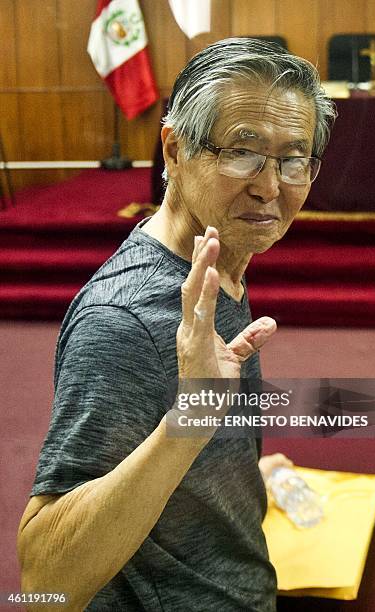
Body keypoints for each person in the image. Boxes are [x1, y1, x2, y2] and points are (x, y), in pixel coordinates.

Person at [17, 38, 335, 611]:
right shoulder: (124, 320)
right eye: (243, 152)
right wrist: (191, 424)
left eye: (294, 158)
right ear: (174, 150)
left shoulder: (218, 250)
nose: (271, 188)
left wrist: (231, 466)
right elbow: (44, 580)